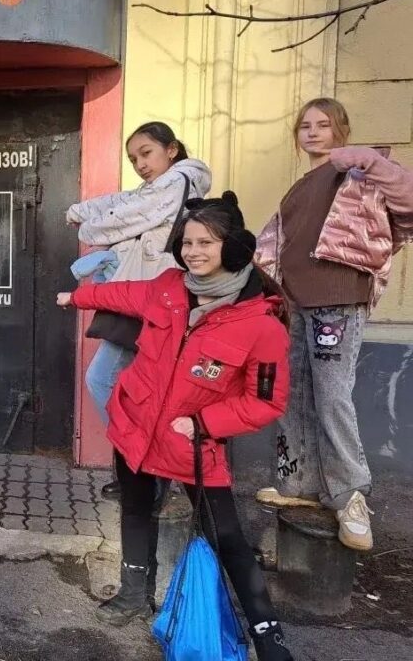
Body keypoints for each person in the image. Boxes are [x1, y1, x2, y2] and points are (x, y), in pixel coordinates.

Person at [57, 192, 294, 661]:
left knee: (227, 536)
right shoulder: (168, 287)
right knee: (135, 508)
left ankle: (268, 636)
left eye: (206, 243)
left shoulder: (262, 324)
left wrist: (206, 422)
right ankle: (132, 593)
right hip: (135, 425)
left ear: (233, 248)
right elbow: (121, 293)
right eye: (187, 242)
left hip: (194, 444)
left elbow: (265, 402)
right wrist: (77, 297)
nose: (193, 252)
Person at [253, 97, 413, 551]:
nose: (313, 132)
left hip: (338, 300)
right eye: (305, 125)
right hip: (294, 303)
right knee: (294, 392)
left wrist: (371, 161)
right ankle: (299, 484)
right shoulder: (301, 186)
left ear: (342, 129)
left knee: (331, 394)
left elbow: (409, 204)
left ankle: (350, 496)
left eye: (323, 124)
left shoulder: (363, 173)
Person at [66, 122, 211, 499]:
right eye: (133, 159)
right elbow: (123, 201)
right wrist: (79, 210)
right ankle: (143, 468)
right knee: (133, 388)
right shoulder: (159, 187)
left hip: (151, 300)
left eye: (146, 153)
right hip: (143, 297)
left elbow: (127, 215)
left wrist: (86, 228)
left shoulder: (176, 182)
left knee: (103, 379)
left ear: (171, 149)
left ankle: (143, 467)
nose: (140, 164)